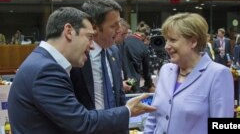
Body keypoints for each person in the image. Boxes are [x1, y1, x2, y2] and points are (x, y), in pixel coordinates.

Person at [8, 7, 156, 134]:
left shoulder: (41, 61)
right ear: (69, 31)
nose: (92, 46)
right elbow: (81, 122)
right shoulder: (47, 70)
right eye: (89, 37)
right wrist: (128, 110)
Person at [144, 13, 234, 134]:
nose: (166, 46)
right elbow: (153, 117)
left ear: (193, 42)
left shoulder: (218, 74)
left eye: (173, 40)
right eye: (166, 40)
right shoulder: (165, 70)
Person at [70, 0, 127, 112]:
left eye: (119, 23)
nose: (119, 29)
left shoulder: (115, 51)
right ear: (94, 27)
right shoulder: (75, 57)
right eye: (113, 25)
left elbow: (119, 94)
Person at [123, 21, 154, 93]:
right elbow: (146, 72)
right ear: (145, 37)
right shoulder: (143, 47)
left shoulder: (124, 40)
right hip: (132, 81)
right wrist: (149, 85)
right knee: (133, 100)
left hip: (121, 82)